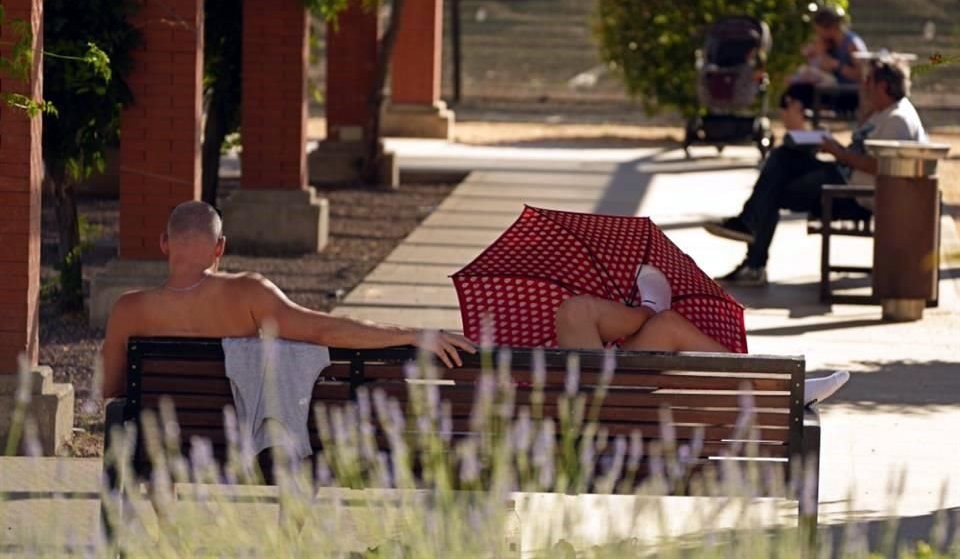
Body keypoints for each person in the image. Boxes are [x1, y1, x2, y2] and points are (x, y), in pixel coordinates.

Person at [100, 201, 477, 399]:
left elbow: (108, 389)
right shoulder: (248, 293)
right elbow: (323, 330)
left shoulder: (128, 310)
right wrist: (411, 334)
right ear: (220, 247)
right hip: (240, 439)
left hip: (158, 440)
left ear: (164, 243)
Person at [702, 56, 927, 286]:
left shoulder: (898, 119)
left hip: (856, 196)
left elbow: (881, 167)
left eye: (869, 80)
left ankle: (752, 253)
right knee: (784, 156)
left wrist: (838, 152)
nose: (864, 85)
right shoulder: (884, 113)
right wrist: (830, 144)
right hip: (845, 180)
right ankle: (751, 243)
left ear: (883, 86)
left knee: (774, 188)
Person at [554, 265, 850, 405]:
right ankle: (782, 391)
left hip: (601, 401)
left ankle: (651, 311)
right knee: (574, 311)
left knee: (667, 324)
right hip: (601, 417)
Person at [780, 6, 867, 125]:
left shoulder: (852, 44)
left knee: (796, 94)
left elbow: (863, 75)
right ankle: (798, 133)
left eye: (819, 30)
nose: (818, 34)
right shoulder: (829, 43)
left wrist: (837, 66)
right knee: (791, 94)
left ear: (830, 28)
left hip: (847, 94)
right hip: (828, 89)